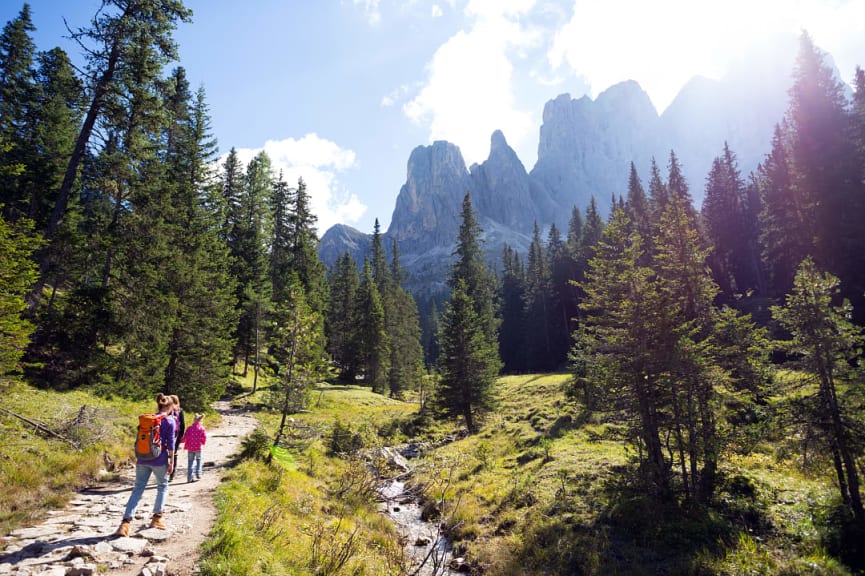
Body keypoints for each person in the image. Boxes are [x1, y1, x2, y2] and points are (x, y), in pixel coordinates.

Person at [116, 393, 177, 536]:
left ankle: (125, 523)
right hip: (159, 459)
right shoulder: (170, 421)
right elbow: (171, 444)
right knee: (162, 486)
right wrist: (171, 462)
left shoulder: (148, 419)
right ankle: (157, 518)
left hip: (142, 459)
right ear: (170, 406)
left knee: (137, 489)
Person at [183, 413, 207, 482]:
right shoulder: (202, 428)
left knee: (190, 462)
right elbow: (204, 437)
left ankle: (189, 478)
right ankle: (198, 473)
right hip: (198, 447)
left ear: (194, 420)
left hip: (190, 448)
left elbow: (185, 437)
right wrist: (202, 443)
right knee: (199, 460)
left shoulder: (189, 428)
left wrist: (183, 441)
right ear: (201, 421)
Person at [168, 395, 185, 482]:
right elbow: (182, 424)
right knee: (174, 453)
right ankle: (172, 473)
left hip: (167, 434)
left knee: (165, 452)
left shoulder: (167, 409)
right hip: (176, 434)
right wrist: (181, 436)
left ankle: (164, 472)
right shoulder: (180, 410)